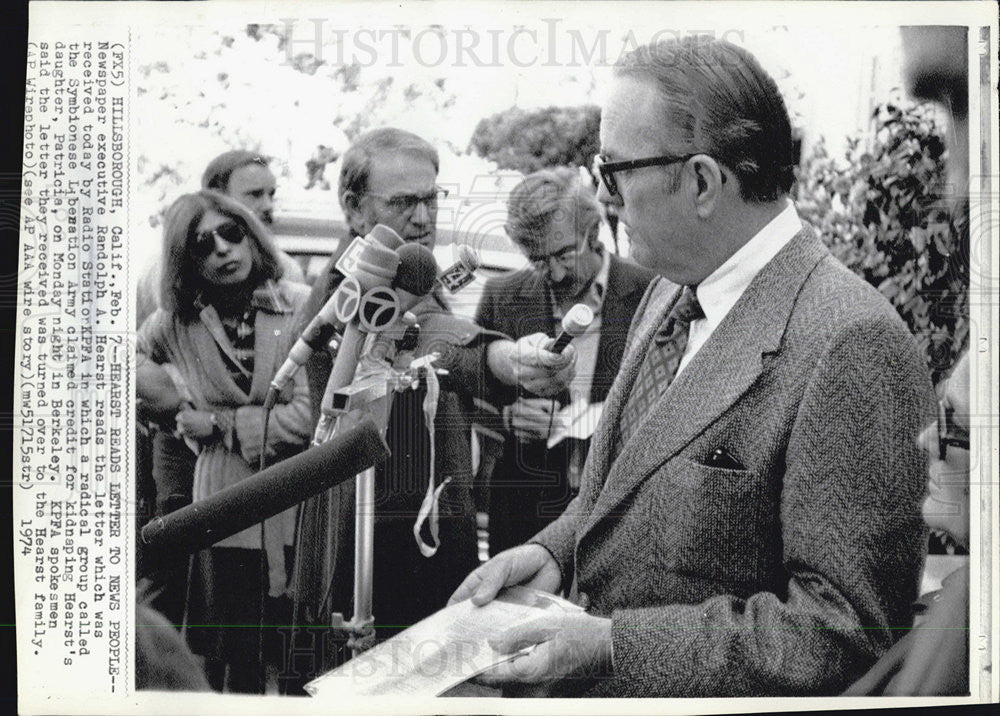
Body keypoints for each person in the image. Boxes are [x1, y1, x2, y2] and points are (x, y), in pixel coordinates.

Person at [449, 36, 935, 697]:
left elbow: (842, 634)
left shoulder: (851, 342)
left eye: (614, 169)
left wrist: (614, 645)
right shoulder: (670, 291)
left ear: (703, 180)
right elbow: (625, 492)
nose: (602, 195)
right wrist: (554, 555)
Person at [288, 128, 511, 680]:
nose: (423, 216)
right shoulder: (352, 291)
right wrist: (501, 360)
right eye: (404, 202)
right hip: (375, 547)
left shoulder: (411, 272)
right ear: (354, 210)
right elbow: (427, 337)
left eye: (431, 198)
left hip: (422, 534)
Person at [137, 190, 312, 693]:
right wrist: (168, 404)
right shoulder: (175, 322)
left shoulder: (300, 306)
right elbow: (120, 360)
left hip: (294, 499)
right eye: (201, 244)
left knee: (298, 655)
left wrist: (218, 425)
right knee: (228, 658)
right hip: (221, 504)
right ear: (185, 261)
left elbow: (306, 417)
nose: (221, 249)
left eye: (231, 233)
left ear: (251, 236)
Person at [476, 167, 655, 555]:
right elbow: (468, 401)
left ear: (593, 233)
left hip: (621, 522)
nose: (554, 273)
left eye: (563, 254)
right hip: (524, 521)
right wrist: (506, 420)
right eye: (538, 260)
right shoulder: (500, 296)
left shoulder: (652, 291)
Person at [201, 149, 306, 283]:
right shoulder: (188, 268)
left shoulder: (287, 271)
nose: (268, 206)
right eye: (255, 194)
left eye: (271, 194)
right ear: (217, 198)